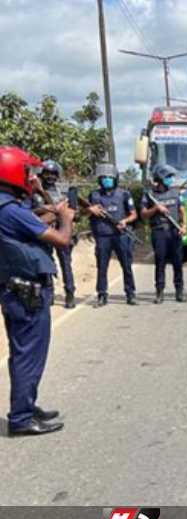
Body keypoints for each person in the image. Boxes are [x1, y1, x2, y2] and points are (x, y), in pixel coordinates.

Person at [0, 146, 76, 436]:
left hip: (15, 290)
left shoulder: (8, 207)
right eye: (27, 172)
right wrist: (65, 217)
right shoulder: (10, 210)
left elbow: (29, 225)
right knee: (28, 353)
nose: (31, 177)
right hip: (26, 292)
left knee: (23, 352)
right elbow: (61, 240)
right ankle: (21, 418)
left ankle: (26, 405)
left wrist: (45, 207)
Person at [86, 163, 138, 307]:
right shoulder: (94, 195)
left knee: (126, 265)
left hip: (120, 235)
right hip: (102, 236)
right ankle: (102, 295)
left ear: (115, 178)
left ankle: (130, 293)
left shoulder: (124, 194)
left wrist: (124, 221)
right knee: (102, 267)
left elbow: (134, 214)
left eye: (109, 177)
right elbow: (83, 212)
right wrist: (91, 210)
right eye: (104, 177)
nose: (106, 180)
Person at [33, 160, 77, 308]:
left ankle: (70, 293)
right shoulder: (34, 191)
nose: (50, 176)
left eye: (53, 173)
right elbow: (30, 212)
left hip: (62, 231)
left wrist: (63, 213)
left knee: (66, 264)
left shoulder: (65, 191)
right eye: (47, 173)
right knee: (47, 263)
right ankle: (49, 294)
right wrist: (48, 208)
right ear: (41, 174)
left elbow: (74, 213)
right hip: (45, 231)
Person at [141, 164, 187, 304]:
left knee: (178, 263)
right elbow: (143, 214)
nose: (171, 179)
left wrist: (184, 226)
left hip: (174, 231)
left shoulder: (175, 192)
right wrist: (155, 208)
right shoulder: (149, 195)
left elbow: (182, 211)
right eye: (168, 177)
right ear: (160, 178)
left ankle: (179, 291)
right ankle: (159, 292)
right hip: (159, 232)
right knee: (160, 263)